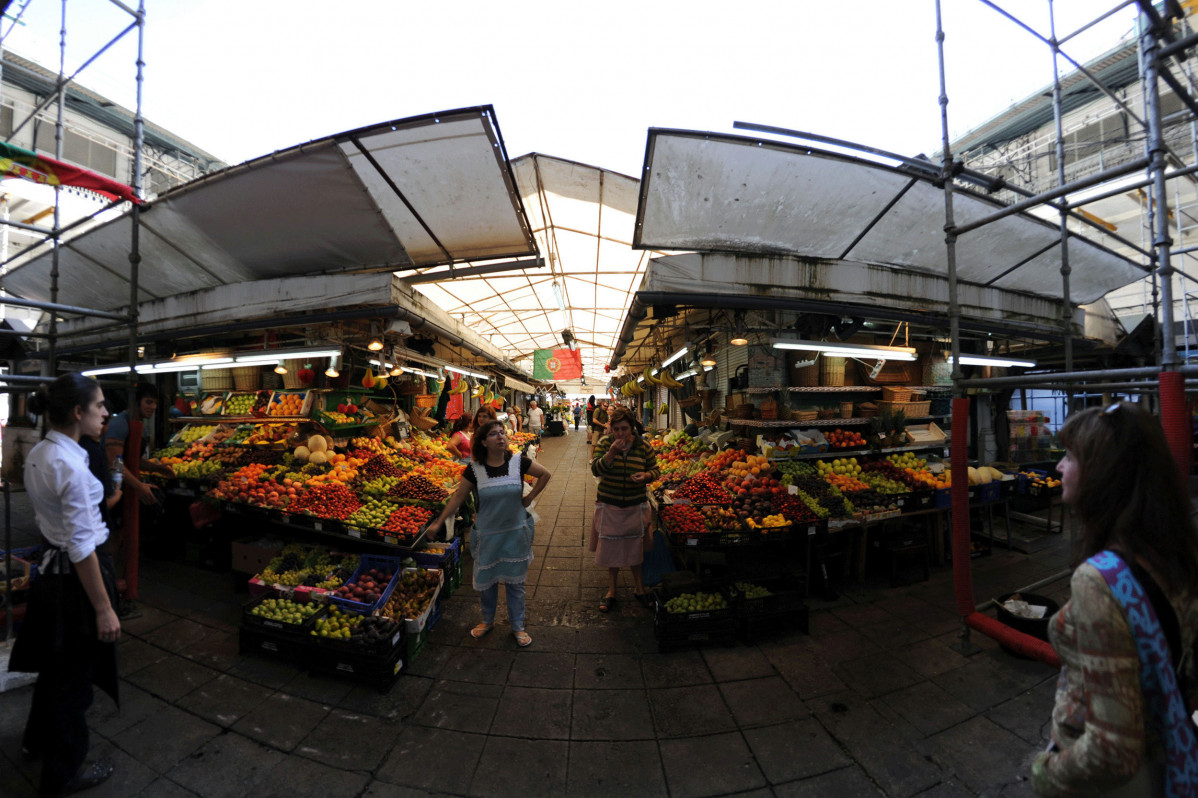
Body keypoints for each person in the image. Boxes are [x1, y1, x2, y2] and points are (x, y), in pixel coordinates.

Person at [1032, 401, 1198, 797]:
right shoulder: (1175, 550)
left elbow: (1111, 751)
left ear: (1103, 475)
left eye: (1069, 456)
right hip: (1165, 754)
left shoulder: (1099, 581)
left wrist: (1047, 772)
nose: (1059, 467)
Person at [9, 374, 120, 796]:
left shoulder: (42, 451)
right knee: (74, 680)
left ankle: (35, 740)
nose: (106, 412)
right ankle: (63, 772)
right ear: (78, 412)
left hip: (51, 574)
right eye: (100, 405)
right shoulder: (71, 464)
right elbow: (80, 545)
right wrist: (104, 607)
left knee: (55, 670)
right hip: (76, 580)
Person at [434, 421, 551, 648]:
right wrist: (439, 522)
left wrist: (530, 497)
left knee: (516, 583)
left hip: (515, 533)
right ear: (484, 442)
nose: (500, 437)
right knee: (487, 582)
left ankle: (518, 626)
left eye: (502, 433)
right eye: (493, 434)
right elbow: (458, 497)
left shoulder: (519, 462)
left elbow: (545, 474)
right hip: (488, 535)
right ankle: (487, 620)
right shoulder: (474, 470)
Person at [589, 406, 659, 612]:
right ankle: (611, 591)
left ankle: (639, 588)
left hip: (635, 505)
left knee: (635, 548)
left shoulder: (643, 446)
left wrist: (646, 476)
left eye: (624, 429)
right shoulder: (604, 443)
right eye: (616, 429)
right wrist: (611, 453)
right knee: (612, 550)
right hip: (610, 505)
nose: (620, 433)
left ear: (632, 428)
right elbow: (595, 469)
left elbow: (655, 469)